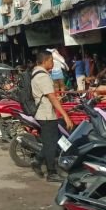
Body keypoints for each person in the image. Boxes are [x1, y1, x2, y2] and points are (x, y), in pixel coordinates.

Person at [30, 51, 75, 183]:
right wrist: (65, 116)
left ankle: (37, 161)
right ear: (45, 61)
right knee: (51, 145)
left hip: (45, 114)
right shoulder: (42, 76)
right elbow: (52, 98)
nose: (53, 63)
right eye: (51, 61)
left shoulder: (36, 73)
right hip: (46, 115)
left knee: (52, 141)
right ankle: (52, 172)